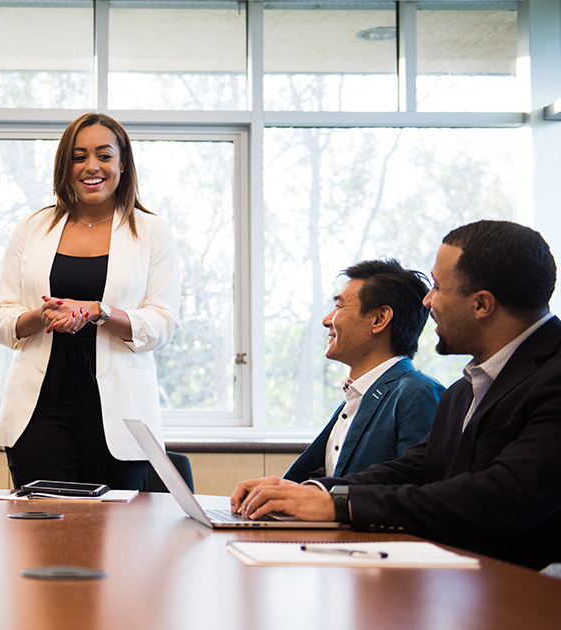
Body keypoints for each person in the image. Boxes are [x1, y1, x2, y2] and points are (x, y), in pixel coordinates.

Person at [231, 220, 561, 569]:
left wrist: (338, 505)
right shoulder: (464, 390)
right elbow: (412, 470)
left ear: (481, 304)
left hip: (527, 597)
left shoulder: (552, 377)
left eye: (437, 287)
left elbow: (500, 499)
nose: (427, 300)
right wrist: (319, 492)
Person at [0, 113, 182, 491]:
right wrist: (40, 315)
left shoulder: (152, 232)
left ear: (122, 163)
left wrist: (99, 311)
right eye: (79, 157)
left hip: (120, 413)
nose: (92, 166)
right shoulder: (33, 227)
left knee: (117, 539)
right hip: (39, 410)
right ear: (65, 166)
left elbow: (162, 323)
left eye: (104, 155)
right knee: (41, 536)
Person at [284, 259, 445, 482]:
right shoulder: (355, 397)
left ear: (379, 319)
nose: (326, 320)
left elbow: (417, 492)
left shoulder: (419, 393)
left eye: (338, 306)